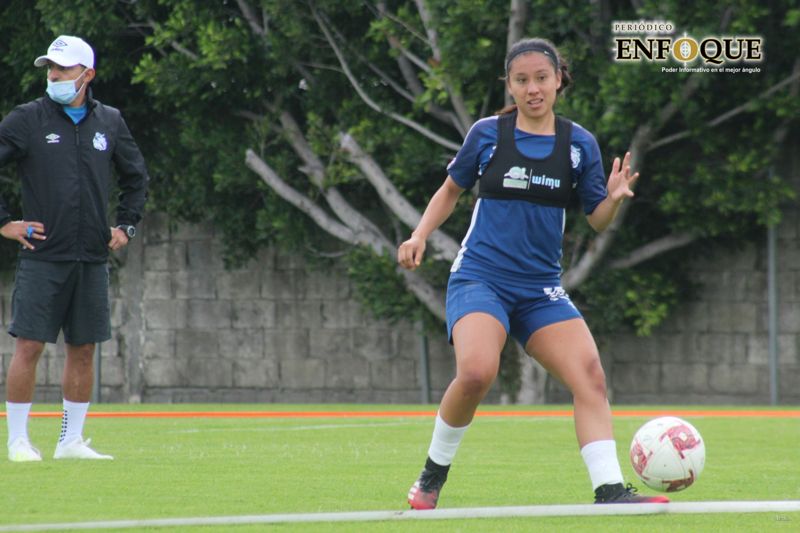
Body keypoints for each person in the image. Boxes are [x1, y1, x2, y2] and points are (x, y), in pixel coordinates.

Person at [397, 38, 669, 507]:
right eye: (521, 80)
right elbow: (450, 190)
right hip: (481, 278)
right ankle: (430, 478)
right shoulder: (488, 134)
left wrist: (612, 199)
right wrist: (419, 234)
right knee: (477, 372)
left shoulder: (578, 144)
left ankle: (609, 491)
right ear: (510, 84)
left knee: (590, 376)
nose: (533, 88)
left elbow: (596, 220)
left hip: (541, 290)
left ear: (558, 80)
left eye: (542, 78)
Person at [0, 35, 148, 461]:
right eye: (50, 68)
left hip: (92, 258)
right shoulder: (28, 119)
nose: (53, 75)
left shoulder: (110, 121)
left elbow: (136, 176)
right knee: (29, 346)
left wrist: (127, 225)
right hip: (43, 256)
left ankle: (71, 441)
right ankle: (17, 440)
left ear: (87, 74)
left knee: (83, 349)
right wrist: (5, 223)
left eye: (62, 68)